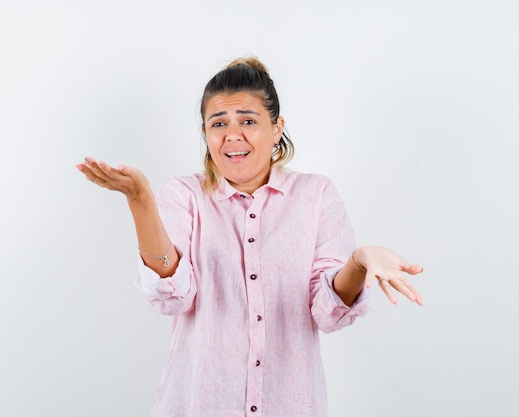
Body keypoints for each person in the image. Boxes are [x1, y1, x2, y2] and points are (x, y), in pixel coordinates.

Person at [75, 57, 424, 417]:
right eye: (219, 123)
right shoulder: (183, 195)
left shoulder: (316, 195)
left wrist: (360, 260)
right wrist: (140, 200)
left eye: (248, 121)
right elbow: (172, 297)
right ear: (205, 132)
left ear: (276, 128)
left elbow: (327, 313)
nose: (232, 135)